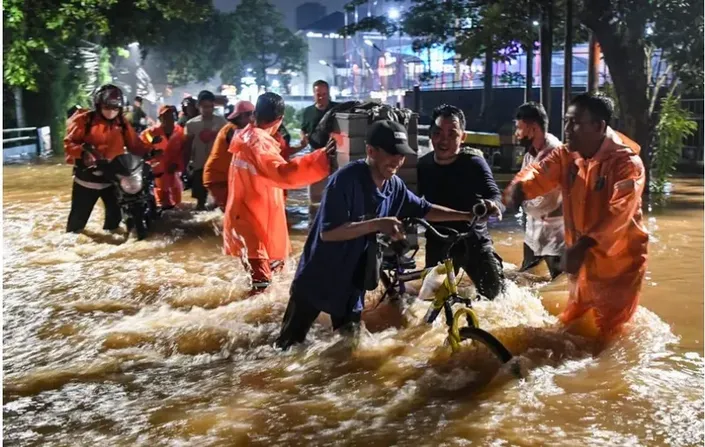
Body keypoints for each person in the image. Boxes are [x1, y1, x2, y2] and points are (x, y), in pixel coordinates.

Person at [275, 120, 501, 350]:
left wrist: (465, 215)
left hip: (353, 282)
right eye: (392, 153)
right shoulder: (345, 181)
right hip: (319, 276)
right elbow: (329, 233)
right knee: (287, 347)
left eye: (402, 155)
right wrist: (378, 224)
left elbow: (425, 209)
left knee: (349, 351)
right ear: (371, 151)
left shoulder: (395, 186)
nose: (397, 161)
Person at [505, 92, 648, 341]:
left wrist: (582, 245)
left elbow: (618, 212)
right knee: (569, 324)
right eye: (567, 121)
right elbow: (538, 172)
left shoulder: (627, 164)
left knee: (609, 339)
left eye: (575, 123)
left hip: (618, 267)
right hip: (582, 261)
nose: (567, 129)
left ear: (599, 126)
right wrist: (518, 189)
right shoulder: (566, 155)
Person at [223, 92, 335, 292]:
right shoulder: (258, 141)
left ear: (255, 114)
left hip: (249, 216)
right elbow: (283, 173)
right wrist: (322, 158)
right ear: (279, 119)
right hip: (251, 221)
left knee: (269, 279)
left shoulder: (245, 135)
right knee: (262, 286)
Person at [417, 104, 505, 300]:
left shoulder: (474, 163)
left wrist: (492, 205)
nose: (444, 140)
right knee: (429, 306)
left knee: (497, 299)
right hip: (438, 242)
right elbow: (408, 201)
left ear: (463, 137)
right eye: (438, 133)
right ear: (431, 134)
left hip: (474, 241)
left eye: (452, 134)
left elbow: (496, 196)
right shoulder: (422, 167)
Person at [64, 84, 150, 233]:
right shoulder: (84, 120)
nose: (111, 111)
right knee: (76, 224)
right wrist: (83, 153)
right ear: (98, 105)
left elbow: (135, 145)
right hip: (86, 180)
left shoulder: (122, 123)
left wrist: (150, 153)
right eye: (107, 106)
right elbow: (68, 143)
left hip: (112, 179)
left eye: (116, 108)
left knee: (114, 223)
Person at [514, 102, 565, 279]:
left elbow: (546, 199)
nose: (516, 134)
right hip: (534, 223)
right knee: (525, 274)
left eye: (519, 129)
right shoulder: (531, 153)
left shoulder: (554, 154)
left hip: (554, 227)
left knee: (558, 282)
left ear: (533, 129)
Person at [203, 100, 255, 210]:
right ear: (242, 117)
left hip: (221, 176)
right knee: (232, 211)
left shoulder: (235, 129)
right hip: (218, 177)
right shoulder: (232, 130)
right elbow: (247, 150)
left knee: (230, 210)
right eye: (252, 115)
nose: (253, 120)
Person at [182, 90, 228, 210]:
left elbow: (228, 144)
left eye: (210, 106)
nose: (207, 109)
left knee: (219, 200)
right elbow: (187, 146)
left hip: (218, 166)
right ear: (198, 106)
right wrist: (185, 165)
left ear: (214, 106)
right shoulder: (191, 124)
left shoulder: (222, 123)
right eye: (204, 106)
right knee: (200, 200)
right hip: (199, 165)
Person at [140, 105, 185, 210]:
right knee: (161, 204)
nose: (169, 118)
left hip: (174, 172)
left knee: (178, 204)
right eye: (165, 116)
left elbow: (184, 151)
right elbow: (141, 148)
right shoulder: (150, 133)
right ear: (160, 118)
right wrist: (152, 152)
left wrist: (178, 165)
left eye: (171, 115)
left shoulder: (180, 132)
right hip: (158, 172)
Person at [299, 80, 338, 150]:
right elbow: (303, 130)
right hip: (316, 153)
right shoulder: (307, 111)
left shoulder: (338, 108)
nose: (321, 97)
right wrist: (303, 138)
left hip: (335, 151)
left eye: (324, 94)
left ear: (328, 94)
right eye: (318, 95)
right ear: (314, 94)